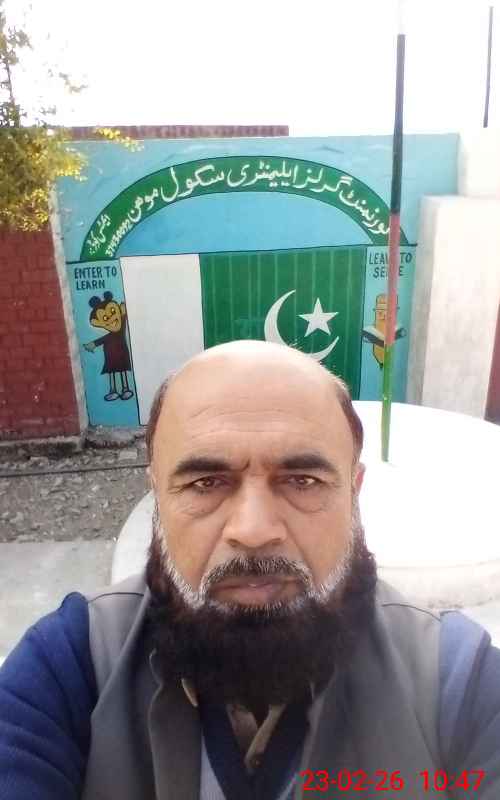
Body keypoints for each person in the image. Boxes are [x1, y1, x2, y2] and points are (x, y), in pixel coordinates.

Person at [0, 340, 499, 800]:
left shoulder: (458, 683)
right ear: (158, 497)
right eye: (205, 482)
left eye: (302, 480)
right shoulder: (69, 667)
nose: (254, 530)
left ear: (354, 492)